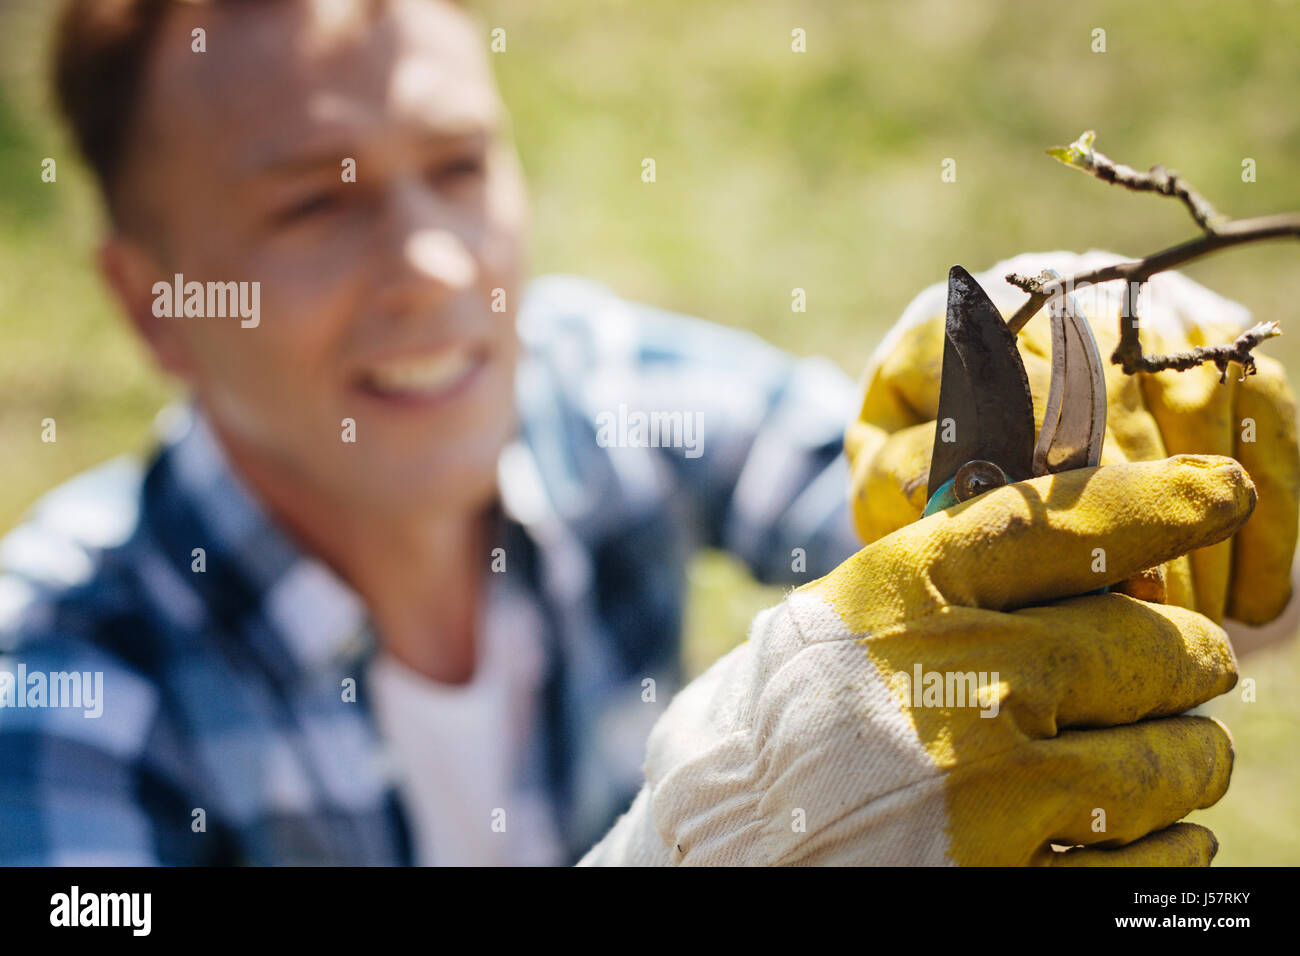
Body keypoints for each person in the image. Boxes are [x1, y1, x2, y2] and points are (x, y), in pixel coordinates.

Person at [1, 0, 1295, 866]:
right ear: (153, 303)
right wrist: (713, 839)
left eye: (457, 166)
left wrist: (1126, 420)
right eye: (310, 206)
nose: (438, 265)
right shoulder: (60, 692)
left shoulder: (595, 389)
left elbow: (937, 530)